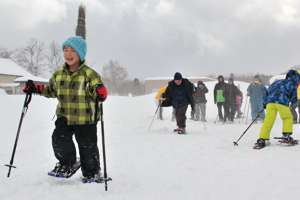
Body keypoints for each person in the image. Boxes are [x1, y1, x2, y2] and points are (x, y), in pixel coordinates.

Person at [23, 36, 107, 182]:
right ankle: (68, 162)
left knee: (88, 145)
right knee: (58, 138)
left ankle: (92, 172)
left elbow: (97, 89)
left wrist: (100, 92)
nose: (68, 54)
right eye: (66, 50)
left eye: (72, 51)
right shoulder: (58, 75)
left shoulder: (90, 74)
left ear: (80, 54)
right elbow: (51, 90)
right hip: (65, 116)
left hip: (85, 117)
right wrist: (36, 88)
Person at [255, 70, 300, 148]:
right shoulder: (292, 84)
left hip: (270, 102)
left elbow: (267, 92)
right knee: (287, 118)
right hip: (282, 102)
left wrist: (264, 102)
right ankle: (286, 136)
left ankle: (263, 138)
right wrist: (293, 101)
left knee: (268, 120)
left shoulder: (276, 82)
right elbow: (294, 99)